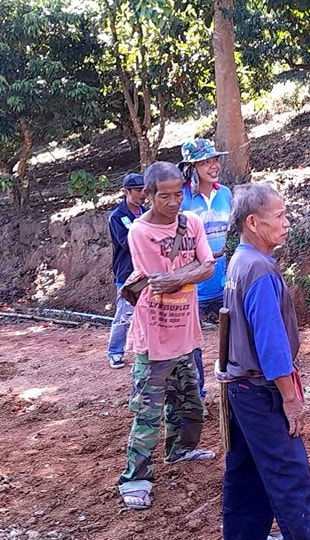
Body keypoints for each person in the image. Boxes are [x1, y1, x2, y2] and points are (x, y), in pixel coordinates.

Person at [220, 183, 310, 540]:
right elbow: (272, 345)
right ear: (253, 222)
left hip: (240, 388)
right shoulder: (261, 271)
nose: (286, 222)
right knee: (289, 478)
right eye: (279, 216)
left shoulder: (240, 260)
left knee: (246, 476)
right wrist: (290, 398)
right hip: (261, 391)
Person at [117, 161, 218, 511]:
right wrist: (191, 272)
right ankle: (135, 478)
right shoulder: (139, 233)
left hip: (185, 330)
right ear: (148, 196)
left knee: (190, 402)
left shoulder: (193, 222)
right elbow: (159, 279)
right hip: (154, 335)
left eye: (178, 194)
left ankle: (181, 449)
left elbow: (209, 267)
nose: (174, 202)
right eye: (165, 196)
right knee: (147, 411)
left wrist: (184, 274)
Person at [178, 138, 233, 404]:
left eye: (214, 160)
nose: (213, 166)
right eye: (205, 162)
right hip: (193, 277)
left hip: (222, 272)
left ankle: (235, 387)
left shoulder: (225, 194)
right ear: (192, 167)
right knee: (193, 343)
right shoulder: (182, 197)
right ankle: (198, 396)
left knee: (235, 332)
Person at [107, 172, 147, 369]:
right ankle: (115, 352)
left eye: (144, 190)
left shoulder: (147, 212)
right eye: (138, 190)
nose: (142, 194)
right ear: (126, 191)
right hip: (126, 273)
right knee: (124, 314)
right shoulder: (117, 217)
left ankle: (146, 351)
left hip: (147, 271)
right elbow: (125, 242)